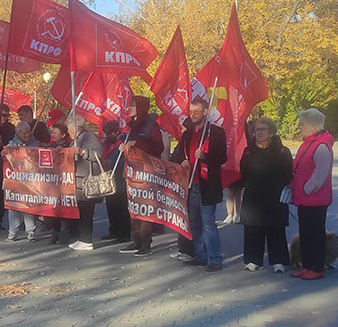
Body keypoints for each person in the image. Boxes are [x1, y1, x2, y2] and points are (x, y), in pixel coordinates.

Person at [173, 97, 228, 271]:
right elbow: (177, 154)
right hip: (189, 184)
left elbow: (222, 158)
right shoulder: (187, 133)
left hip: (206, 185)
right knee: (194, 223)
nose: (193, 114)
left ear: (205, 112)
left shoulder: (216, 132)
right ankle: (200, 254)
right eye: (191, 111)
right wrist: (183, 160)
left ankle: (214, 258)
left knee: (208, 224)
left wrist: (205, 157)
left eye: (197, 111)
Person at [239, 117, 293, 272]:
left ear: (271, 132)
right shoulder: (248, 151)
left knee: (275, 228)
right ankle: (253, 260)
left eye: (262, 129)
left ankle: (278, 261)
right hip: (253, 194)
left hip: (275, 194)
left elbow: (288, 173)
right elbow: (243, 172)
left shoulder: (282, 151)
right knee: (253, 227)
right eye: (256, 130)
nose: (258, 132)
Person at [117, 98, 165, 256]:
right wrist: (123, 146)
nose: (129, 107)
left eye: (132, 105)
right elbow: (127, 143)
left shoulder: (152, 125)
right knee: (134, 207)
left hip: (147, 172)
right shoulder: (131, 125)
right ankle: (136, 240)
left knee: (145, 208)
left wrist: (137, 144)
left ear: (141, 107)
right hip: (132, 172)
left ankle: (145, 243)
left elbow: (158, 147)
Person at [291, 109, 334, 279]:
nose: (299, 127)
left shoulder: (321, 146)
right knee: (306, 233)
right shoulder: (309, 143)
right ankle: (307, 265)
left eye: (303, 124)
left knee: (315, 234)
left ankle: (316, 268)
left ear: (314, 125)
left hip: (314, 198)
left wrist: (305, 189)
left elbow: (320, 175)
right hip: (305, 198)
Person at [68, 116, 103, 251]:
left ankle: (86, 240)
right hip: (78, 178)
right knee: (81, 210)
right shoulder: (77, 138)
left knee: (87, 210)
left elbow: (98, 154)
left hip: (87, 179)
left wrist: (83, 152)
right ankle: (82, 238)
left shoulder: (89, 136)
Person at [6, 121, 44, 241]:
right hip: (15, 180)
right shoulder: (11, 145)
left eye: (28, 132)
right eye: (24, 133)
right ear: (18, 133)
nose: (27, 134)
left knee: (29, 206)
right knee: (13, 207)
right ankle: (12, 232)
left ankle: (30, 232)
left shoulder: (36, 144)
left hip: (30, 180)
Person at [99, 120, 130, 245]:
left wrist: (111, 164)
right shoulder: (106, 143)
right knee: (110, 206)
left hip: (119, 179)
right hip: (108, 178)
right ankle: (113, 229)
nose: (107, 136)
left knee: (121, 207)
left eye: (109, 134)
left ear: (116, 132)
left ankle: (125, 231)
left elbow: (125, 159)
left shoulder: (122, 142)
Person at [44, 121, 75, 244]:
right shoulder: (50, 145)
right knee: (53, 210)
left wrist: (63, 152)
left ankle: (65, 234)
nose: (53, 134)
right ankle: (55, 233)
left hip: (66, 183)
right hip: (53, 184)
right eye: (52, 132)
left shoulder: (70, 145)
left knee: (65, 209)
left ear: (63, 135)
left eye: (55, 132)